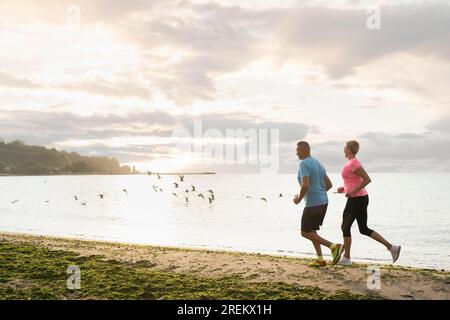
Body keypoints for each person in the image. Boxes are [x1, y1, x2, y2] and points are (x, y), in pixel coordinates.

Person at [337, 140, 401, 266]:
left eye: (345, 147)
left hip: (357, 199)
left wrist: (353, 192)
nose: (343, 149)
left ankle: (347, 258)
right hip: (359, 198)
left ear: (349, 149)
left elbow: (367, 179)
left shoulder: (354, 162)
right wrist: (345, 189)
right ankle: (392, 248)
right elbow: (355, 181)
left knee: (345, 227)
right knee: (363, 229)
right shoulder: (351, 163)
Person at [293, 141, 344, 267]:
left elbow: (306, 184)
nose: (296, 152)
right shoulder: (319, 163)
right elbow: (329, 184)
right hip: (323, 201)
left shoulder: (304, 164)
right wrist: (319, 193)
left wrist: (299, 199)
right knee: (312, 231)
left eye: (298, 150)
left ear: (304, 150)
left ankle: (333, 247)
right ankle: (320, 259)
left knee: (305, 232)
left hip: (313, 203)